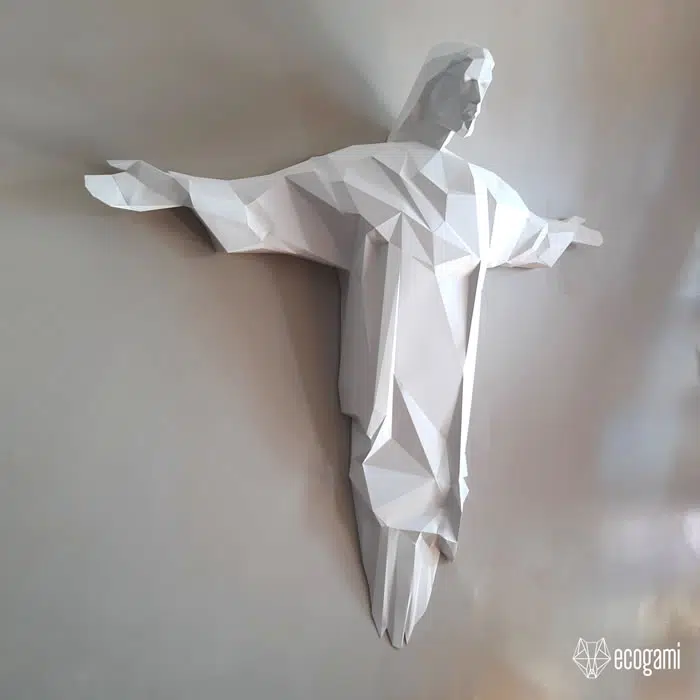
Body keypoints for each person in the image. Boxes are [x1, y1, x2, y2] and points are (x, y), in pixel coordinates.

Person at [86, 42, 602, 648]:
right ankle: (396, 572)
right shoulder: (368, 173)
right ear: (430, 86)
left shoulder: (481, 192)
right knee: (389, 471)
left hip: (448, 388)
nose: (473, 104)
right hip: (385, 373)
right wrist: (174, 189)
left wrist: (564, 234)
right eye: (464, 84)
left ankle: (413, 572)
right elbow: (267, 203)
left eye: (482, 93)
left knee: (435, 479)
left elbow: (530, 234)